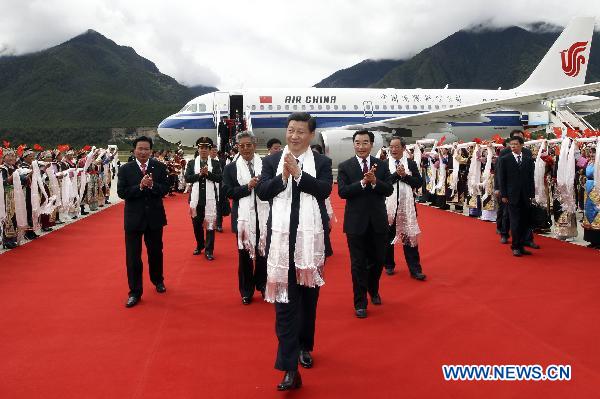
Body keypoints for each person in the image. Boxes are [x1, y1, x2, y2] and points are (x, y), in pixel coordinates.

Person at [256, 112, 332, 391]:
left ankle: (304, 346)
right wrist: (283, 178)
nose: (295, 136)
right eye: (291, 130)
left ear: (311, 135)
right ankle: (289, 368)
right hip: (281, 244)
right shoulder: (272, 161)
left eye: (301, 131)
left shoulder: (322, 162)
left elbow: (323, 190)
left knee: (309, 302)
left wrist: (299, 175)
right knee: (285, 307)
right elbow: (263, 192)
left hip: (310, 246)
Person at [338, 129, 393, 319]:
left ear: (372, 144)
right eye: (358, 143)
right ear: (353, 144)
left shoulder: (382, 165)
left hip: (378, 222)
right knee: (358, 264)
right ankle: (360, 302)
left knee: (378, 261)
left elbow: (389, 190)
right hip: (355, 223)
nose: (361, 147)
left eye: (365, 143)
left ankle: (373, 289)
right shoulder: (345, 166)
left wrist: (375, 181)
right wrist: (362, 182)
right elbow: (343, 192)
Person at [117, 136, 169, 308]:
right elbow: (122, 193)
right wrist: (139, 187)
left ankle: (158, 280)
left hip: (154, 218)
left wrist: (152, 185)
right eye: (140, 149)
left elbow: (165, 189)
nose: (143, 152)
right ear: (134, 150)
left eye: (146, 149)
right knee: (133, 257)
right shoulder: (125, 169)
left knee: (156, 252)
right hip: (134, 219)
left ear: (151, 151)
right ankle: (134, 292)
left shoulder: (160, 167)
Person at [223, 131, 269, 305]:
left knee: (263, 253)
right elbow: (228, 192)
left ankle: (263, 285)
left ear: (254, 145)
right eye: (241, 146)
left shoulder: (265, 164)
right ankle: (247, 290)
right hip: (243, 218)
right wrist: (247, 187)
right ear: (237, 147)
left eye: (248, 145)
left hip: (264, 216)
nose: (245, 149)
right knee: (245, 256)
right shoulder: (231, 168)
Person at [384, 137, 426, 280]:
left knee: (409, 238)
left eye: (397, 147)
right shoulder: (384, 164)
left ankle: (415, 269)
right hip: (388, 208)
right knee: (387, 238)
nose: (394, 150)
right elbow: (383, 183)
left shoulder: (411, 163)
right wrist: (397, 175)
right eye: (391, 147)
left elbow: (419, 182)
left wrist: (405, 176)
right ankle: (389, 265)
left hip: (407, 208)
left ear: (403, 148)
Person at [184, 137, 222, 261]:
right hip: (196, 200)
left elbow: (220, 178)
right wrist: (200, 175)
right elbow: (188, 178)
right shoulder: (191, 163)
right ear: (198, 149)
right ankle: (200, 244)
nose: (204, 150)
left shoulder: (215, 163)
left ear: (210, 150)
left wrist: (208, 174)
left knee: (210, 225)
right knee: (196, 225)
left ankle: (209, 250)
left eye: (206, 148)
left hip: (210, 200)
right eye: (201, 148)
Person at [499, 136, 535, 257]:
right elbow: (501, 178)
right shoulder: (505, 159)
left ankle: (522, 245)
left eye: (515, 144)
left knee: (524, 222)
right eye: (511, 144)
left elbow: (531, 178)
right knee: (515, 221)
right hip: (511, 195)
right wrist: (503, 194)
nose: (513, 146)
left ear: (521, 145)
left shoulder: (528, 160)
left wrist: (532, 194)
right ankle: (515, 247)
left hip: (525, 195)